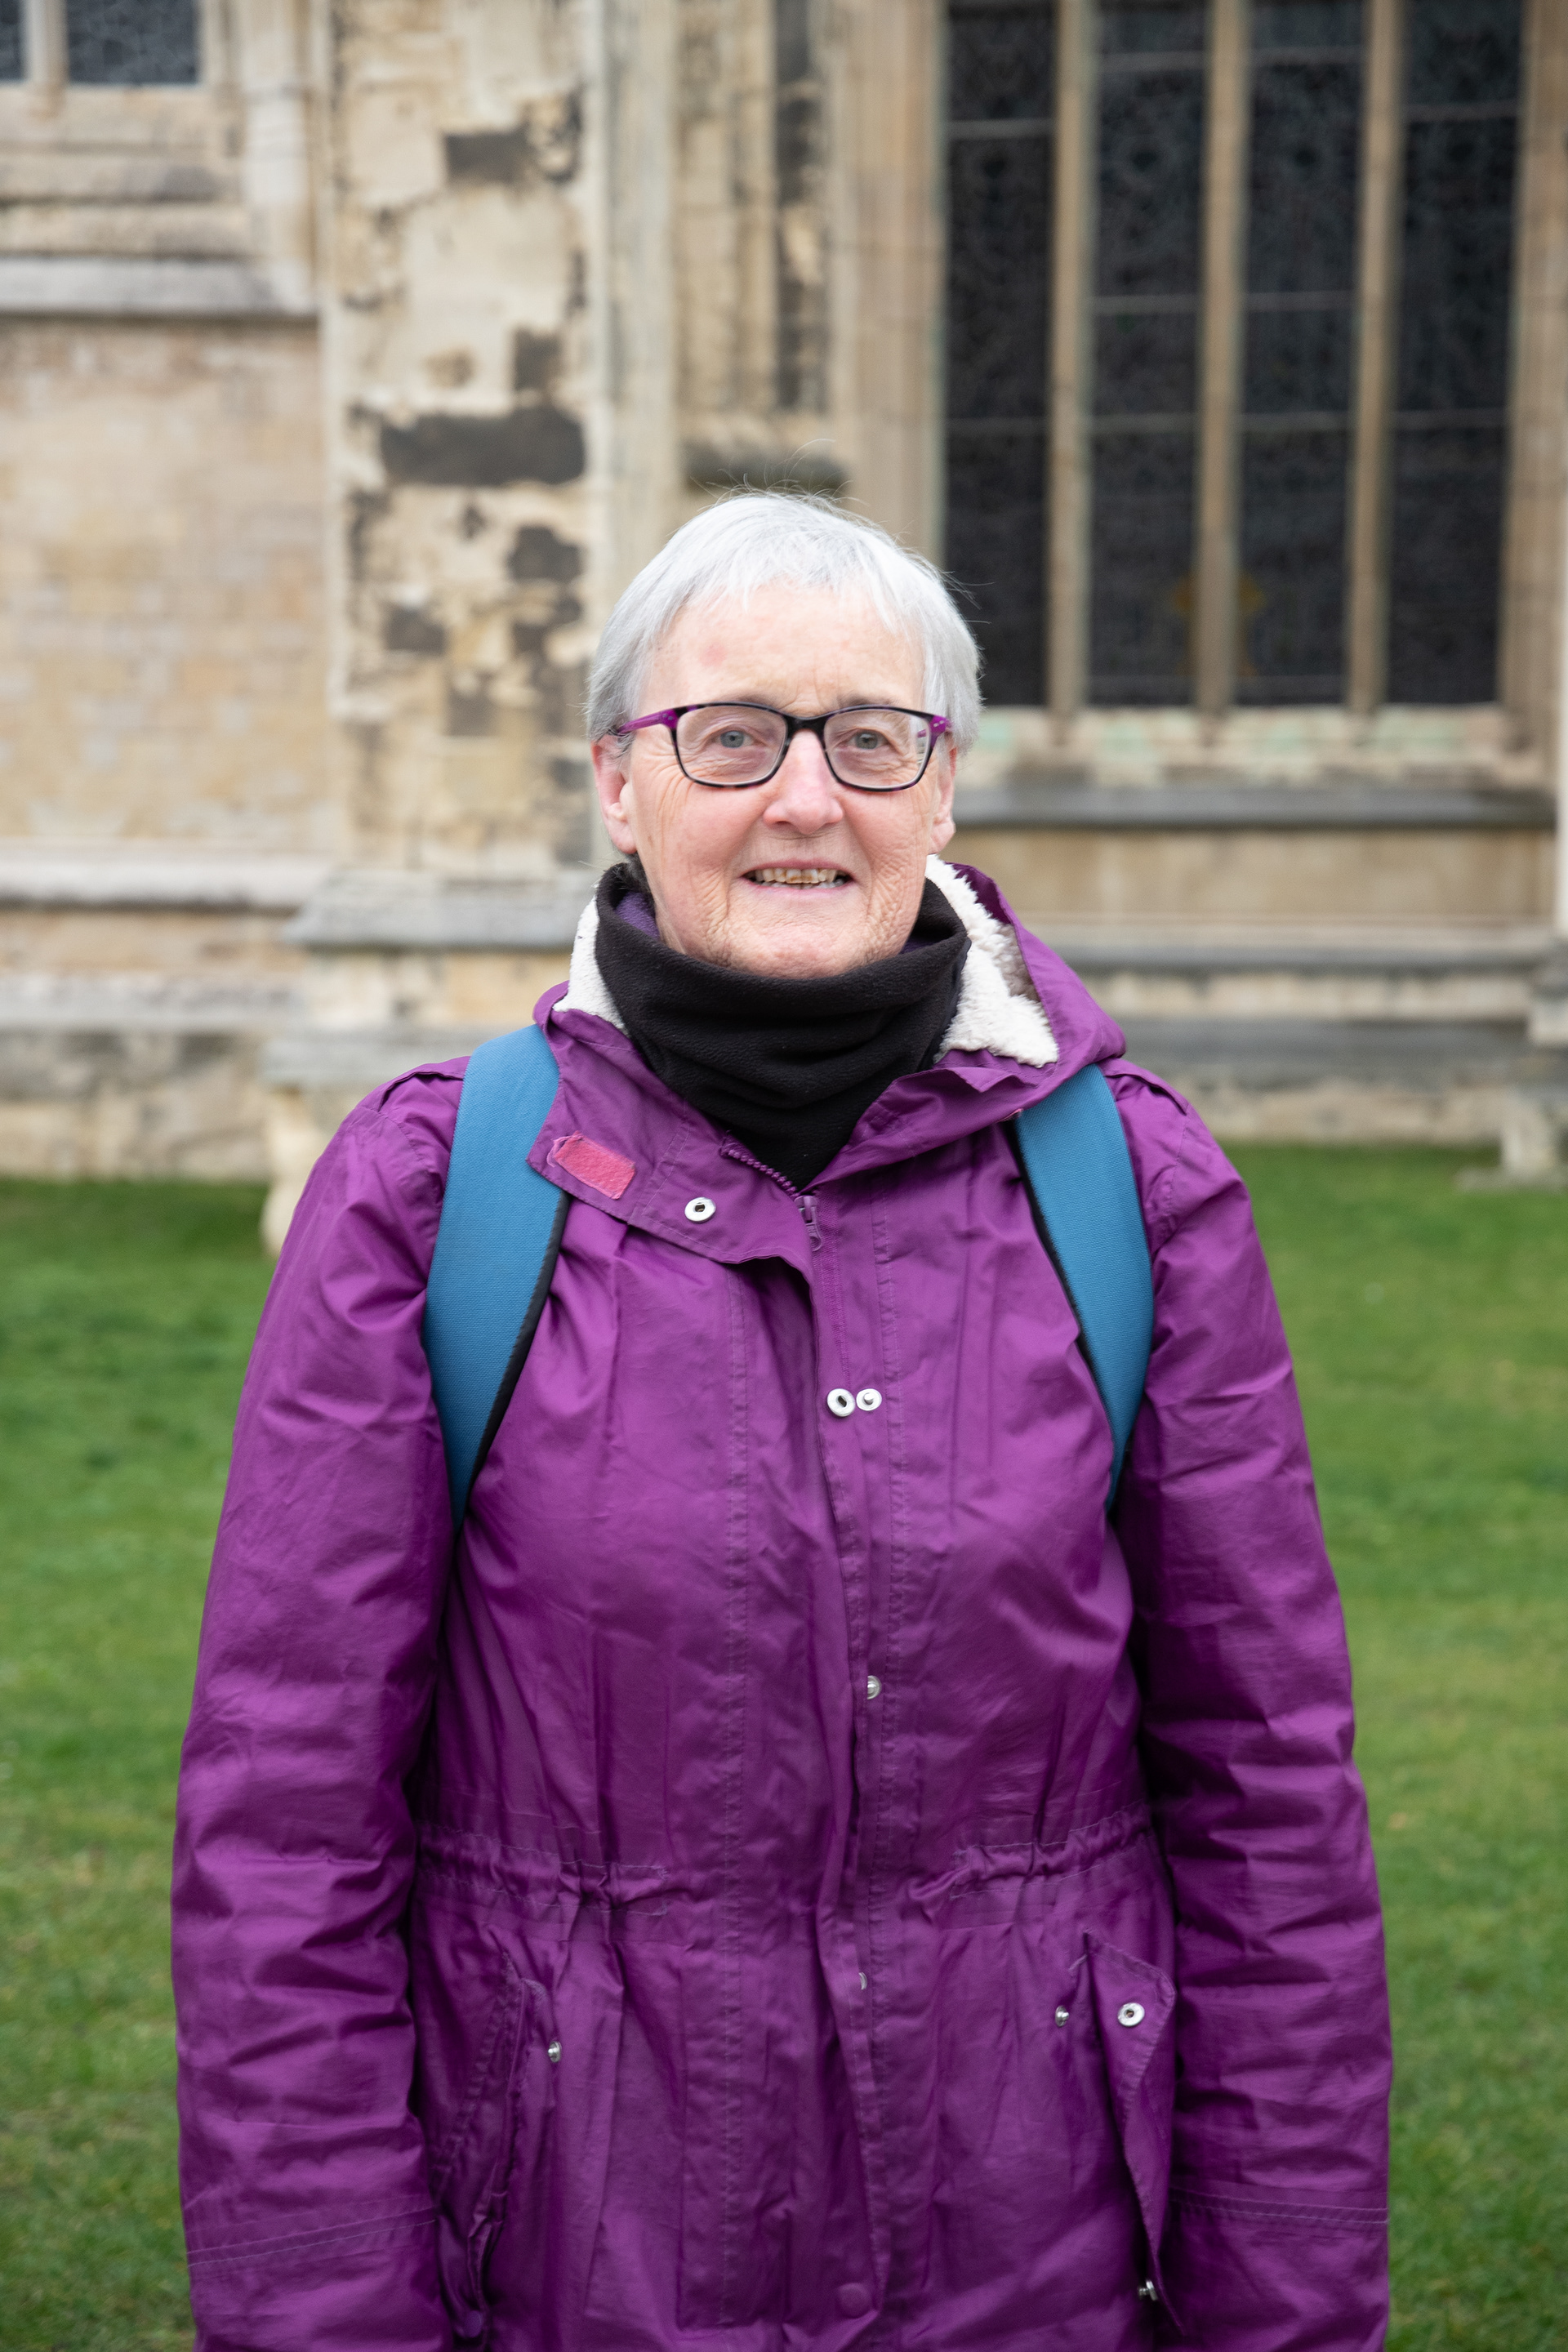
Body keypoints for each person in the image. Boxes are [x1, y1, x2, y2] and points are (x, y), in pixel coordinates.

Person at [172, 492, 1390, 2351]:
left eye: (869, 737)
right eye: (730, 736)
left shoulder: (1137, 1191)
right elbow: (283, 1833)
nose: (804, 799)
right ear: (616, 783)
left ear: (945, 786)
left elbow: (1272, 1807)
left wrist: (1286, 2304)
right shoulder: (433, 1190)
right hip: (574, 2269)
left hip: (1034, 2268)